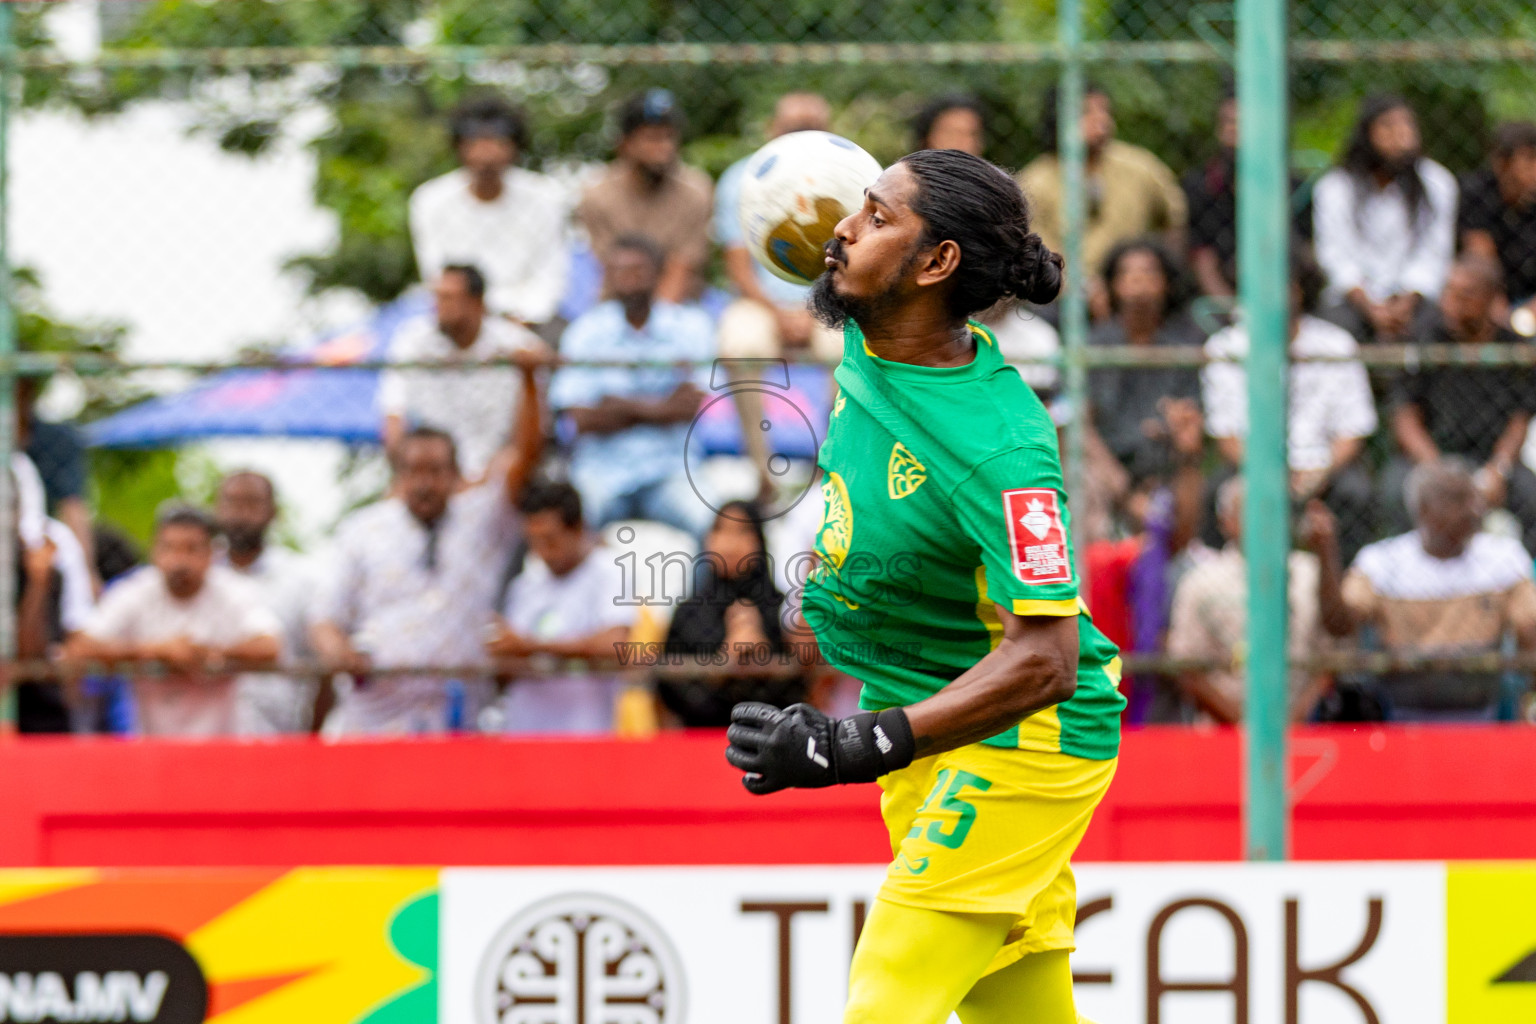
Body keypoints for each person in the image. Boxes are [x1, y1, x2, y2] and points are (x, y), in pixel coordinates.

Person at [724, 149, 1124, 1024]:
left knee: (887, 998)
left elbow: (1049, 661)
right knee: (1018, 1011)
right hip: (924, 722)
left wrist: (855, 743)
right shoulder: (879, 336)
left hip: (1025, 740)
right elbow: (824, 269)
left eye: (874, 216)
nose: (842, 226)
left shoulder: (1004, 448)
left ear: (936, 264)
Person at [310, 367, 543, 736]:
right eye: (414, 471)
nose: (424, 484)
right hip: (375, 719)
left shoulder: (483, 521)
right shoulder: (362, 530)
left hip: (461, 719)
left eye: (435, 471)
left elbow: (525, 454)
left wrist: (530, 381)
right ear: (398, 475)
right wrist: (339, 654)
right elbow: (325, 619)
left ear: (456, 475)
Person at [1313, 459, 1536, 721]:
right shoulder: (1382, 563)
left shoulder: (1503, 559)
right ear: (1423, 510)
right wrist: (1325, 554)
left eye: (1473, 497)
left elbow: (1530, 630)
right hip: (1398, 716)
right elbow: (1339, 625)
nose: (1473, 509)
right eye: (1457, 500)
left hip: (1480, 716)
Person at [1202, 246, 1378, 563]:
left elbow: (1353, 429)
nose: (1273, 294)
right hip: (1253, 466)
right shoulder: (1225, 347)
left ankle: (1344, 582)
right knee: (1217, 490)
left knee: (1357, 493)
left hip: (1324, 467)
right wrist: (1271, 473)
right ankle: (1226, 577)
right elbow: (1226, 434)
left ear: (1300, 289)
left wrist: (1319, 473)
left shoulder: (1336, 344)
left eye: (1283, 284)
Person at [714, 93, 842, 494]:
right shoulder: (740, 177)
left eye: (812, 129)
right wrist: (778, 312)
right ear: (772, 130)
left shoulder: (847, 175)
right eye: (792, 128)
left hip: (831, 297)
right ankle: (762, 472)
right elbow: (738, 266)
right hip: (759, 301)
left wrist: (812, 308)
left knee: (846, 353)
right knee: (740, 346)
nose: (801, 137)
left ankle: (835, 465)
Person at [65, 505, 281, 737]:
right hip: (153, 748)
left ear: (211, 553)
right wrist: (157, 651)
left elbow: (270, 645)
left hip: (223, 747)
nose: (179, 560)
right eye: (170, 548)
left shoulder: (233, 591)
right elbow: (79, 648)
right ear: (154, 551)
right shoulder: (135, 591)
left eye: (191, 549)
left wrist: (211, 655)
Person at [550, 234, 714, 536]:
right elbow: (582, 420)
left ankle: (699, 588)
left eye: (638, 270)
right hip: (600, 472)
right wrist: (661, 406)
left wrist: (619, 405)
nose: (630, 280)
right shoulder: (584, 332)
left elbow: (689, 407)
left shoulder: (689, 326)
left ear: (657, 273)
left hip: (672, 471)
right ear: (607, 276)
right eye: (620, 271)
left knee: (714, 525)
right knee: (567, 528)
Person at [1383, 256, 1536, 551]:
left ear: (1490, 300)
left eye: (1464, 296)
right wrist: (1436, 469)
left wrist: (1499, 469)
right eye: (1448, 292)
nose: (1450, 303)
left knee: (1531, 495)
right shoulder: (1424, 340)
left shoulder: (1513, 347)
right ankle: (1405, 580)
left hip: (1489, 457)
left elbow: (1520, 419)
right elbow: (1405, 416)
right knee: (1395, 488)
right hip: (1432, 456)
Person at [1166, 479, 1331, 725]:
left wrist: (1294, 720)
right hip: (1221, 732)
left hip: (1305, 729)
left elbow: (1331, 659)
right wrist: (1243, 724)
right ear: (1226, 522)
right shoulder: (1199, 583)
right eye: (1253, 510)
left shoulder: (1311, 572)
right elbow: (1186, 668)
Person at [1018, 83, 1186, 315]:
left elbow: (1175, 220)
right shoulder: (1036, 180)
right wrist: (1082, 289)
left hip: (1133, 290)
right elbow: (1036, 257)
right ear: (1059, 119)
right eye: (1087, 112)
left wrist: (1163, 276)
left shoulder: (1140, 167)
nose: (1101, 120)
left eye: (1104, 111)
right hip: (1064, 298)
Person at [486, 480, 637, 734]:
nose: (543, 552)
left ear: (578, 529)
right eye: (534, 542)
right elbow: (506, 667)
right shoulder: (525, 585)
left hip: (586, 736)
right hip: (524, 735)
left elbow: (615, 645)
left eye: (550, 540)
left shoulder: (611, 572)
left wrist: (530, 646)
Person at [408, 94, 569, 328]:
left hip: (531, 321)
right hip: (460, 319)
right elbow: (437, 276)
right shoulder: (429, 200)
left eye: (497, 141)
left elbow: (550, 275)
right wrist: (478, 320)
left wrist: (522, 320)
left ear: (515, 146)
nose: (487, 152)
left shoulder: (548, 196)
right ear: (459, 146)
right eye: (476, 141)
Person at [380, 264, 550, 480]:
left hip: (502, 476)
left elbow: (531, 434)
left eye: (448, 298)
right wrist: (406, 476)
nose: (438, 307)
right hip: (436, 476)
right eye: (436, 297)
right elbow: (393, 417)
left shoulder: (515, 344)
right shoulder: (413, 342)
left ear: (476, 302)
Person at [1313, 95, 1457, 342]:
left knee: (1437, 325)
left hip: (1414, 298)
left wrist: (1406, 302)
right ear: (1367, 134)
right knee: (1333, 329)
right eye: (1389, 126)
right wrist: (1371, 308)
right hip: (1353, 298)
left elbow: (1434, 254)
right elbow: (1335, 256)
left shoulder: (1437, 183)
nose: (1402, 136)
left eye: (1408, 125)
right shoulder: (1336, 186)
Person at [656, 501, 806, 727]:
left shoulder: (783, 610)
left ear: (759, 541)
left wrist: (761, 652)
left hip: (772, 744)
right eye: (720, 530)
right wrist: (725, 659)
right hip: (701, 742)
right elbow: (671, 693)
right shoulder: (688, 614)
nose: (729, 542)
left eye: (742, 531)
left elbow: (800, 694)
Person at [1085, 239, 1205, 502]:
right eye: (1128, 273)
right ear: (1113, 285)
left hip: (1161, 466)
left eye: (1150, 272)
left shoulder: (1183, 349)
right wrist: (1122, 488)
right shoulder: (1093, 347)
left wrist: (1175, 432)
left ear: (1167, 283)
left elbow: (1189, 421)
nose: (1139, 281)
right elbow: (1077, 423)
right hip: (1105, 470)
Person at [576, 89, 714, 303]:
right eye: (653, 138)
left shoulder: (695, 190)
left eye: (669, 137)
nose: (665, 148)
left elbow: (683, 266)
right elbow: (611, 268)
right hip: (618, 302)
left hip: (683, 305)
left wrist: (654, 330)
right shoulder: (597, 195)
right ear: (624, 144)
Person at [214, 470, 318, 735]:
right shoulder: (202, 576)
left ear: (273, 511)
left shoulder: (301, 579)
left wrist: (311, 738)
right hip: (206, 737)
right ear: (217, 509)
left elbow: (321, 667)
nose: (241, 514)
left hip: (279, 735)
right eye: (232, 502)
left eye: (252, 502)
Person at [1459, 121, 1536, 331]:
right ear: (1501, 163)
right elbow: (1480, 256)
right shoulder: (1477, 192)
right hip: (1491, 294)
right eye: (1529, 159)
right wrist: (1495, 303)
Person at [912, 94, 987, 156]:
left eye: (973, 134)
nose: (966, 143)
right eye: (952, 134)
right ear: (926, 138)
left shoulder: (990, 173)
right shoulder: (906, 173)